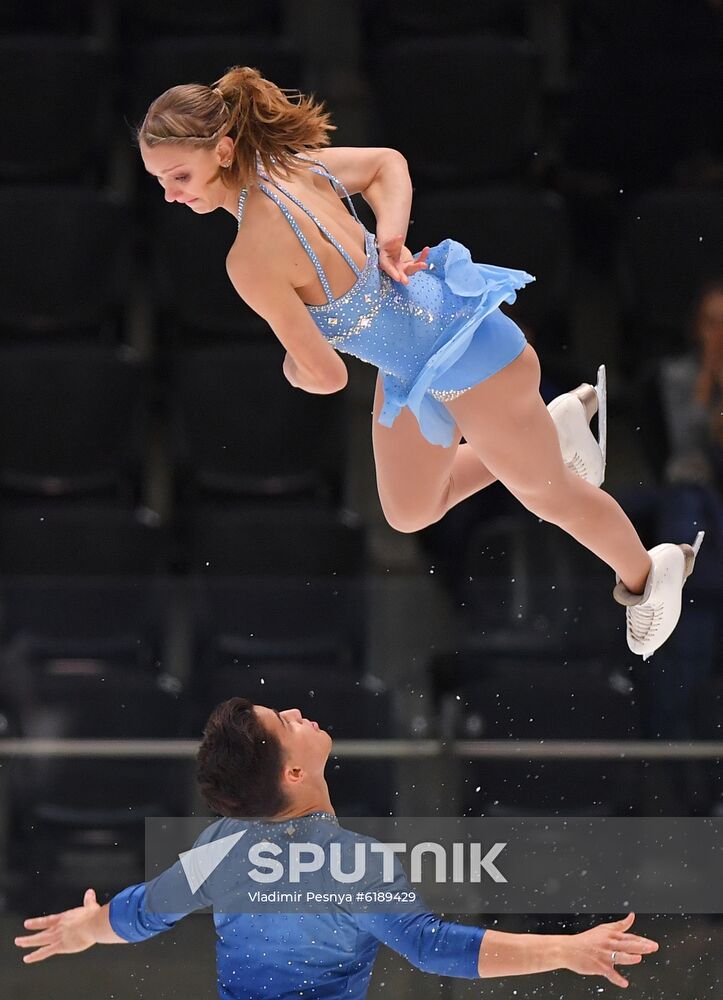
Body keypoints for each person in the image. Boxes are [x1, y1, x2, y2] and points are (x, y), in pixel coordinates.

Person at [136, 66, 703, 658]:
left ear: (224, 149)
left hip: (472, 357)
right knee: (410, 511)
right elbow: (388, 164)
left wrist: (292, 365)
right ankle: (554, 427)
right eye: (159, 181)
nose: (172, 193)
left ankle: (651, 574)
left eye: (180, 175)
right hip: (415, 367)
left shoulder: (249, 257)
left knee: (549, 495)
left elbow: (325, 376)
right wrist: (389, 235)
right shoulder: (294, 167)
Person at [15, 696, 660, 995]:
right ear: (293, 774)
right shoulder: (353, 866)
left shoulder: (216, 850)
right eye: (285, 724)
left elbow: (140, 914)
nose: (297, 713)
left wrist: (84, 929)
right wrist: (568, 949)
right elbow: (434, 948)